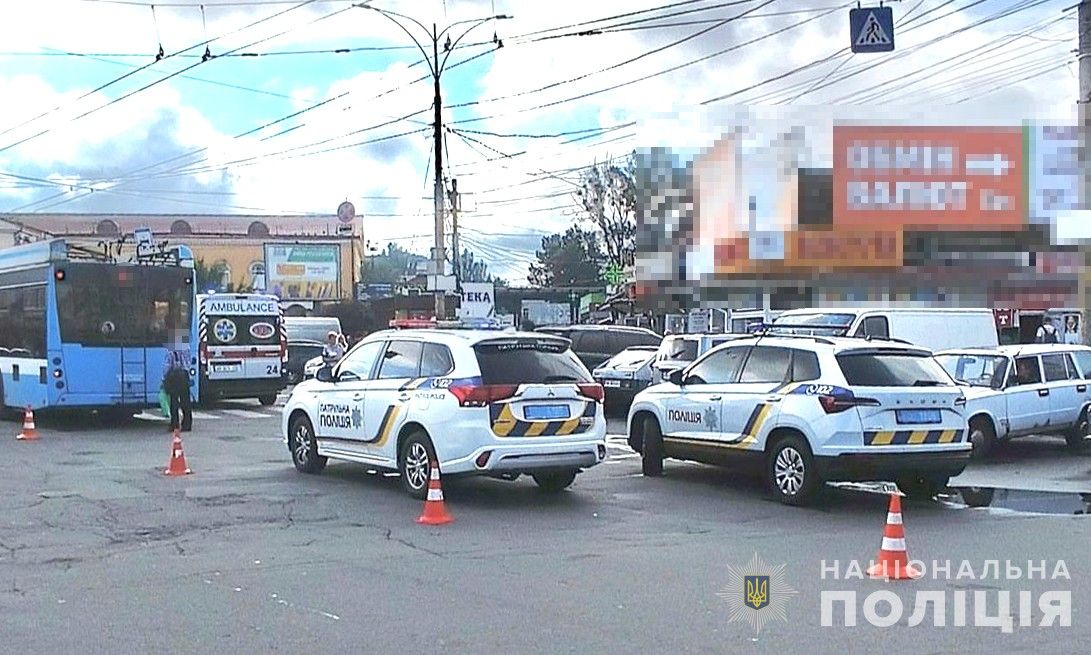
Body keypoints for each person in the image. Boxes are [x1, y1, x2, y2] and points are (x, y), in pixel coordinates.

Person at [162, 330, 192, 432]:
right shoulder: (186, 348)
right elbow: (188, 362)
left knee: (174, 401)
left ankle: (174, 424)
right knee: (185, 401)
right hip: (184, 375)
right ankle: (187, 423)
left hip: (174, 377)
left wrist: (164, 377)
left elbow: (167, 364)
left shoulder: (170, 350)